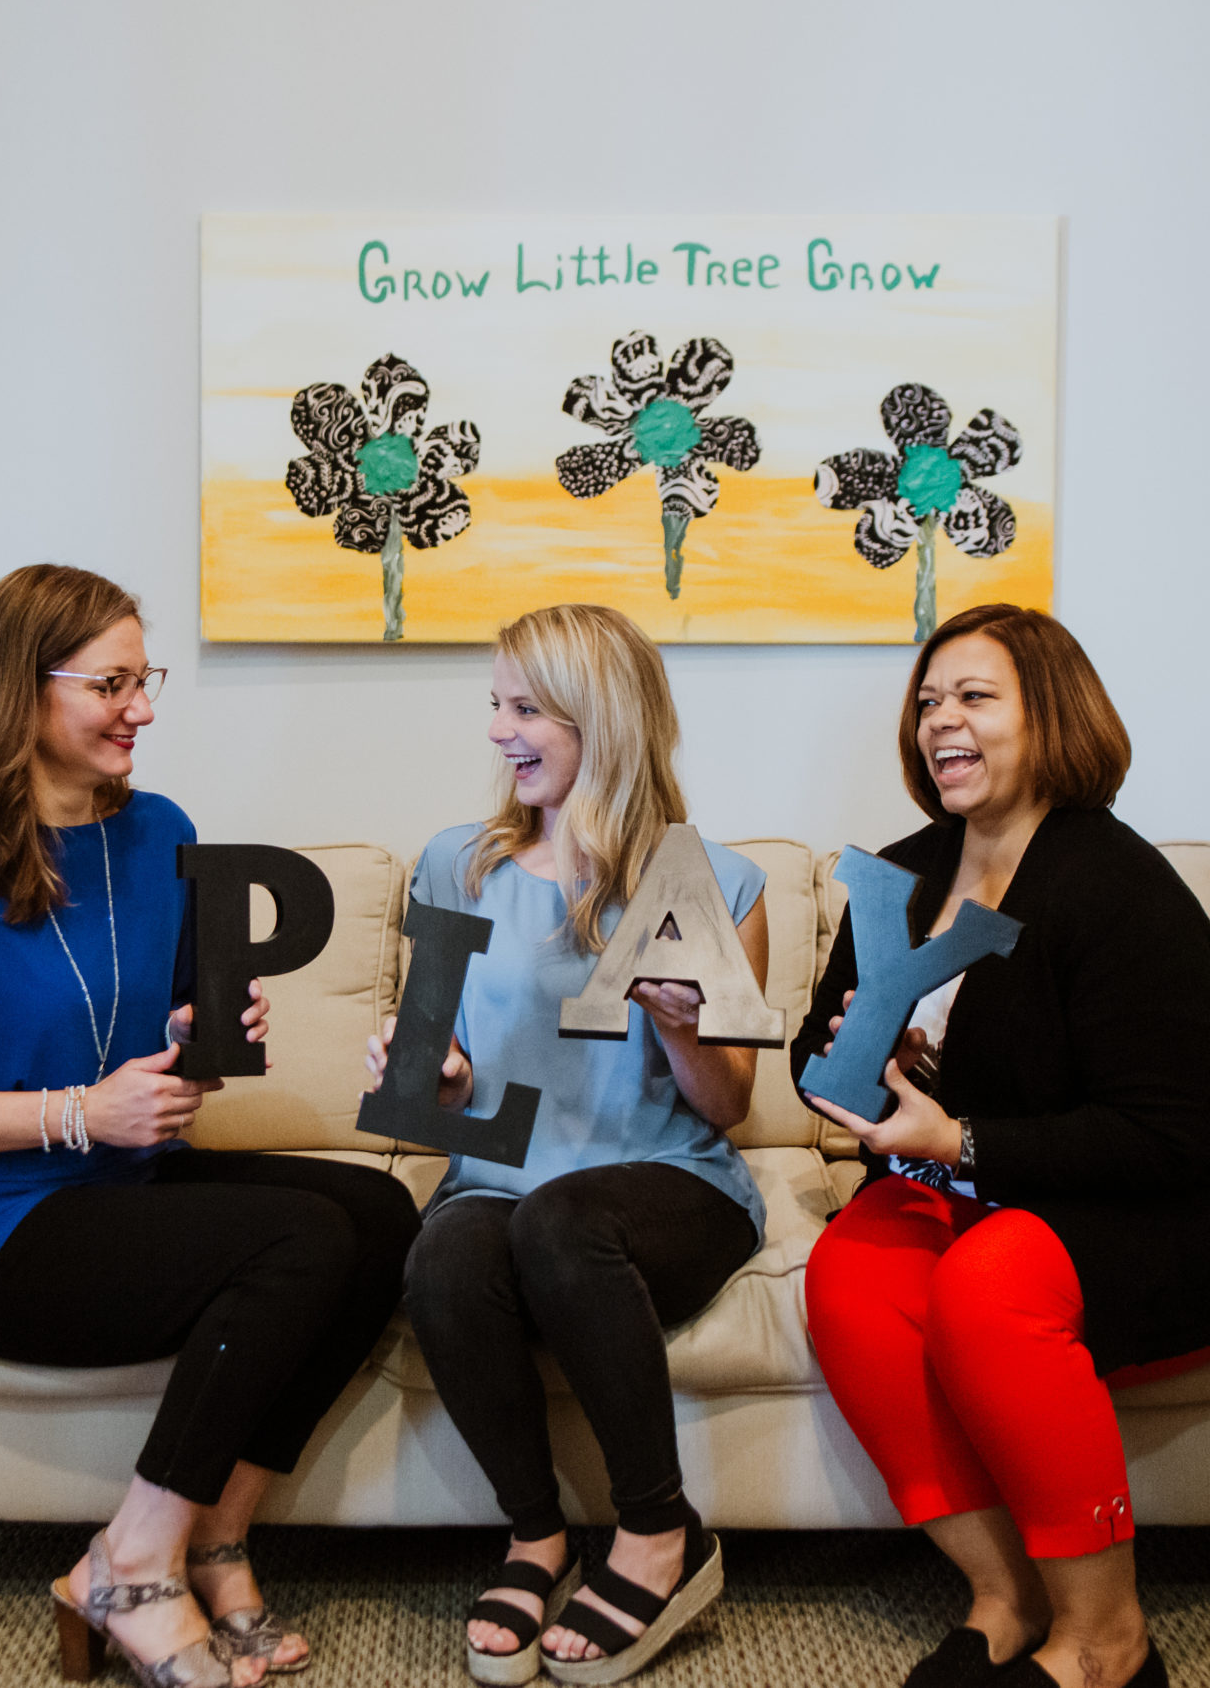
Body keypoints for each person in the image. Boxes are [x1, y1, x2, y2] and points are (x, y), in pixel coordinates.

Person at [0, 565, 420, 1688]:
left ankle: (215, 1533)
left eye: (143, 678)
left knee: (382, 1210)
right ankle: (130, 1562)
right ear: (23, 688)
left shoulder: (161, 833)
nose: (143, 707)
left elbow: (141, 1032)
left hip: (129, 1180)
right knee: (295, 1240)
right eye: (111, 682)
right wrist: (77, 1110)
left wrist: (202, 1027)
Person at [794, 604, 1210, 1688]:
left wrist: (958, 1136)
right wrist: (858, 1064)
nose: (941, 722)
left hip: (1170, 1198)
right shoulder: (905, 871)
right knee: (847, 1273)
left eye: (974, 697)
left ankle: (1108, 1640)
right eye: (927, 701)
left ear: (1050, 715)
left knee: (985, 1283)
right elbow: (818, 1051)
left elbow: (1164, 1132)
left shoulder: (1122, 888)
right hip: (989, 1183)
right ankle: (1003, 1593)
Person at [366, 604, 765, 1686]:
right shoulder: (457, 862)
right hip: (500, 1173)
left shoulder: (713, 883)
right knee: (444, 1255)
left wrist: (683, 1023)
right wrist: (429, 1078)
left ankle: (657, 1529)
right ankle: (536, 1531)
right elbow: (425, 1085)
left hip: (668, 1181)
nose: (500, 730)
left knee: (562, 1217)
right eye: (494, 704)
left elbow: (727, 1104)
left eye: (526, 707)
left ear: (602, 718)